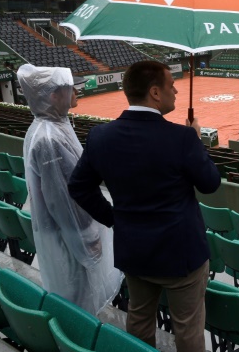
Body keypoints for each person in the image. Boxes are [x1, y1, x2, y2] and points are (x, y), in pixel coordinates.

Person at [68, 60, 221, 352]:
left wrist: (114, 219)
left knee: (139, 319)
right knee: (187, 328)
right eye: (171, 85)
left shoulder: (101, 136)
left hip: (134, 251)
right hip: (182, 256)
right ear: (154, 92)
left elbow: (78, 187)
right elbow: (210, 183)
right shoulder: (183, 138)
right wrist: (197, 141)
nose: (176, 90)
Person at [17, 64, 122, 315]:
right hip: (69, 239)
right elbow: (62, 201)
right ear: (53, 96)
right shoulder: (50, 138)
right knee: (78, 303)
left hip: (64, 235)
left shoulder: (49, 128)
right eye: (69, 88)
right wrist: (86, 240)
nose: (76, 91)